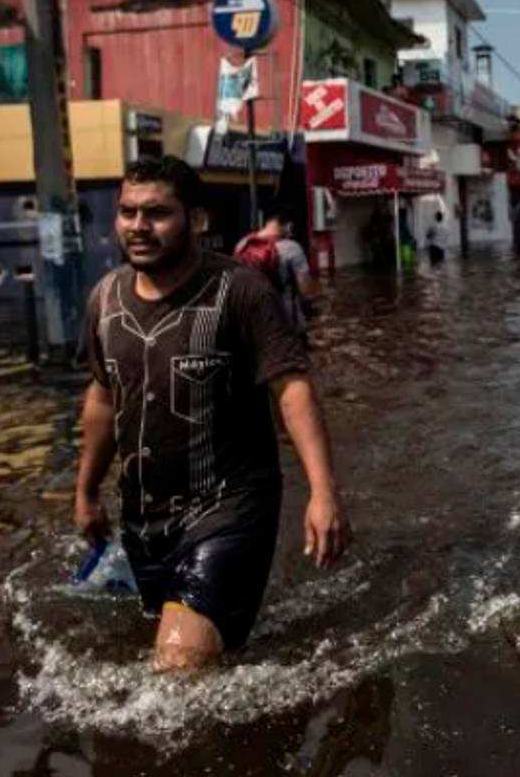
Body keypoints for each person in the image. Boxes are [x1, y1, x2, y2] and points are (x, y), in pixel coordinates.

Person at [74, 156, 350, 671]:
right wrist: (86, 491)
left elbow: (291, 389)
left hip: (229, 509)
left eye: (156, 213)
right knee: (204, 654)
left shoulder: (240, 292)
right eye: (127, 212)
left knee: (177, 668)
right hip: (144, 520)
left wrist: (323, 492)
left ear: (196, 220)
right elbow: (103, 397)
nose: (138, 227)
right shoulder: (104, 301)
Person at [234, 207, 317, 337]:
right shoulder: (292, 247)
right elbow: (305, 290)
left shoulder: (243, 244)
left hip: (253, 317)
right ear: (288, 226)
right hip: (285, 317)